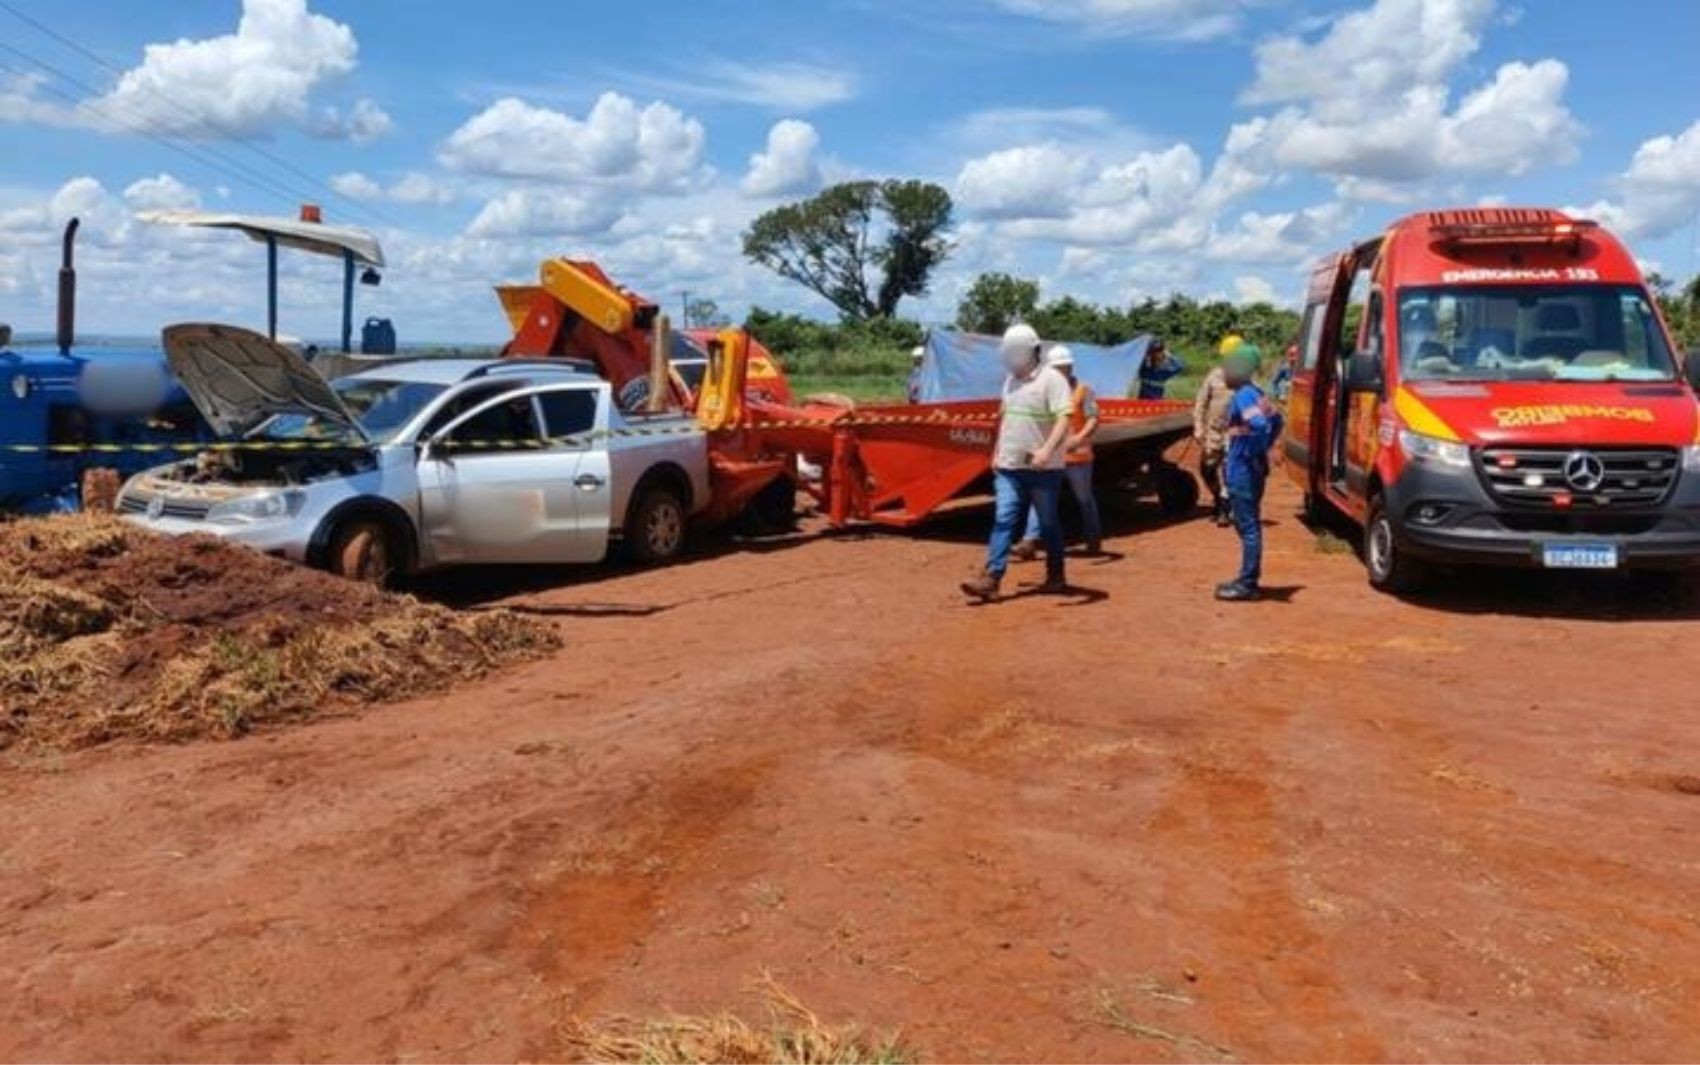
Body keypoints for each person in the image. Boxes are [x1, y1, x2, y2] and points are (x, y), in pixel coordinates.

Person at [961, 324, 1072, 602]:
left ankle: (1056, 574)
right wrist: (997, 453)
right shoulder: (1009, 381)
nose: (1007, 358)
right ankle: (992, 577)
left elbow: (1064, 418)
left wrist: (1047, 450)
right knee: (1003, 518)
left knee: (1047, 524)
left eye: (1012, 352)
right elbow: (1005, 419)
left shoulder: (1052, 380)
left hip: (1043, 470)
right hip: (1009, 467)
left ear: (1028, 351)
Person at [1011, 345, 1102, 558]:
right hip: (1053, 455)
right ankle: (1029, 541)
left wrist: (1079, 438)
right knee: (1041, 497)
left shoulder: (1083, 390)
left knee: (1084, 498)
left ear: (1069, 367)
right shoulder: (1047, 390)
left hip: (1078, 457)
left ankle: (1093, 538)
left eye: (1062, 368)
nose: (1059, 372)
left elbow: (1093, 419)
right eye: (1056, 368)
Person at [1216, 346, 1283, 602]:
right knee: (1248, 523)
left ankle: (1248, 583)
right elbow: (1277, 422)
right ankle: (1247, 578)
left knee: (1249, 526)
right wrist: (1262, 451)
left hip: (1243, 468)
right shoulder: (1257, 394)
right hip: (1252, 468)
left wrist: (1250, 453)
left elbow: (1260, 425)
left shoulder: (1243, 395)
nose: (1224, 372)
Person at [1193, 340, 1237, 526]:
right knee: (1206, 469)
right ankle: (1218, 499)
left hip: (1234, 434)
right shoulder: (1213, 376)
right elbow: (1201, 403)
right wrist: (1198, 427)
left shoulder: (1245, 379)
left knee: (1229, 473)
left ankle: (1225, 510)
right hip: (1213, 434)